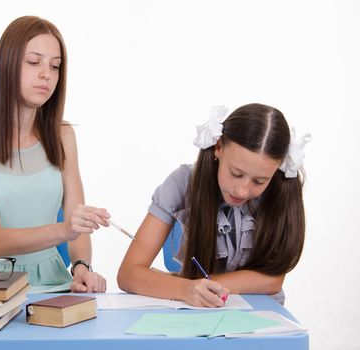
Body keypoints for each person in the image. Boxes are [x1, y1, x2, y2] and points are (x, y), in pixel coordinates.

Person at [0, 16, 110, 292]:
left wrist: (82, 268)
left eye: (55, 66)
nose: (46, 74)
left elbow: (76, 219)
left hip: (54, 283)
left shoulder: (63, 136)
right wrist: (64, 230)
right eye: (34, 62)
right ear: (7, 65)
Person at [117, 103, 310, 306]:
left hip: (260, 315)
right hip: (195, 314)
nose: (243, 190)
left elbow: (272, 280)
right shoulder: (182, 183)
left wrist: (188, 283)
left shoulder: (280, 190)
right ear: (218, 147)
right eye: (236, 173)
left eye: (259, 181)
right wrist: (186, 289)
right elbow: (129, 273)